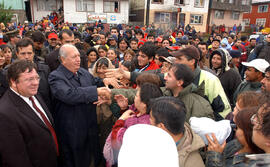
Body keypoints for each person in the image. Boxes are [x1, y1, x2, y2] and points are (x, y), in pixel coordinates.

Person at [48, 44, 111, 167]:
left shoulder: (83, 72)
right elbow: (69, 94)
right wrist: (96, 91)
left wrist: (104, 81)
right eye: (73, 57)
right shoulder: (55, 77)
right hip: (72, 132)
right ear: (62, 59)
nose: (78, 59)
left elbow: (94, 82)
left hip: (91, 128)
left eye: (78, 56)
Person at [0, 60, 58, 167]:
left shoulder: (32, 93)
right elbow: (15, 158)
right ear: (13, 82)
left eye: (37, 78)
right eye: (29, 79)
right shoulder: (4, 114)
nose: (36, 83)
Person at [103, 83, 163, 166]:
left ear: (144, 104)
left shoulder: (145, 124)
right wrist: (124, 109)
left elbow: (117, 141)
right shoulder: (137, 110)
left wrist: (121, 119)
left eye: (136, 95)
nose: (134, 97)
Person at [150, 96, 205, 167]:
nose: (149, 121)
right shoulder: (158, 138)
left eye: (151, 118)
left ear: (161, 126)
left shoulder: (191, 163)